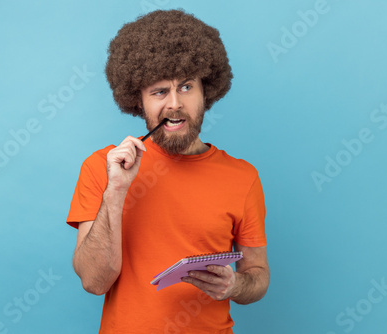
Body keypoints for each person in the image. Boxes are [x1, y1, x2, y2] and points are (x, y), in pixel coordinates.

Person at [67, 9, 269, 333]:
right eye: (159, 91)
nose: (174, 104)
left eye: (186, 87)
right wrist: (116, 191)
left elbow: (258, 275)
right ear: (139, 101)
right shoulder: (103, 169)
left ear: (207, 91)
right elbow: (94, 282)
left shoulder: (243, 177)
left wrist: (235, 286)